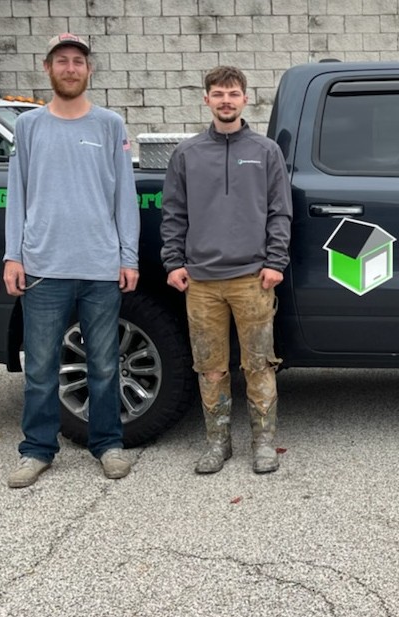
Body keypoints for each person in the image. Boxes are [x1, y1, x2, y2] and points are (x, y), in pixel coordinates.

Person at [2, 33, 140, 488]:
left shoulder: (110, 125)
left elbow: (125, 196)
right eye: (61, 61)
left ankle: (108, 444)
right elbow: (18, 195)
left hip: (100, 267)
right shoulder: (28, 127)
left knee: (104, 365)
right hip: (43, 268)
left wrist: (128, 256)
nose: (70, 68)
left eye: (78, 61)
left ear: (89, 70)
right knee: (40, 367)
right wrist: (13, 256)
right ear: (47, 69)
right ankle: (37, 450)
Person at [160, 66, 292, 475]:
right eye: (218, 94)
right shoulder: (187, 154)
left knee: (258, 365)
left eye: (233, 93)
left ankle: (264, 444)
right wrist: (173, 262)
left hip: (253, 279)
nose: (226, 101)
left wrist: (275, 262)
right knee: (210, 367)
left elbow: (279, 212)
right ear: (206, 100)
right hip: (201, 282)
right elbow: (174, 214)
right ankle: (218, 444)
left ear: (245, 99)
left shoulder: (267, 151)